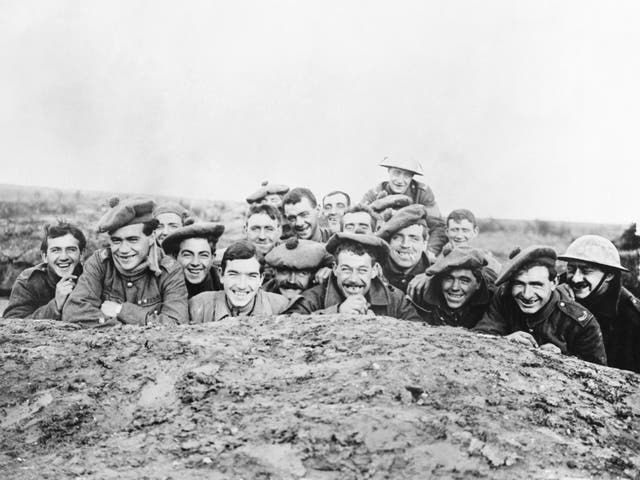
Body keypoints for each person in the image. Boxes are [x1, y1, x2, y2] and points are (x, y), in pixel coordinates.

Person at [62, 197, 188, 327]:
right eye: (116, 241)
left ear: (151, 238)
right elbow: (73, 312)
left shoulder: (169, 271)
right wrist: (120, 329)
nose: (123, 250)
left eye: (133, 240)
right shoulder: (100, 263)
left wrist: (120, 310)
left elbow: (176, 324)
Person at [473, 246, 606, 365]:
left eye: (536, 284)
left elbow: (603, 376)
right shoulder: (504, 297)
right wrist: (504, 341)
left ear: (554, 282)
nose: (527, 294)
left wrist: (563, 359)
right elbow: (478, 338)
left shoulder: (581, 322)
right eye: (519, 283)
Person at [286, 232, 420, 321]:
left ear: (374, 271)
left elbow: (421, 332)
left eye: (362, 270)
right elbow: (284, 325)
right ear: (335, 269)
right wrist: (335, 313)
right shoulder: (314, 297)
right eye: (346, 269)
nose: (353, 279)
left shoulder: (395, 299)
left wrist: (382, 324)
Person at [558, 235, 640, 372]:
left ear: (609, 275)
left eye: (586, 270)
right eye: (571, 269)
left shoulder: (630, 316)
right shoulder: (553, 291)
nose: (576, 278)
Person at [360, 156, 447, 256]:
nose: (400, 180)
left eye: (406, 175)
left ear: (412, 177)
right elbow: (359, 220)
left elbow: (437, 226)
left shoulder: (422, 192)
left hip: (412, 246)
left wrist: (430, 252)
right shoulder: (375, 193)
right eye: (396, 173)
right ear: (389, 171)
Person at [189, 240, 289, 322]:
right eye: (234, 274)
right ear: (221, 275)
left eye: (251, 276)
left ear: (261, 279)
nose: (242, 285)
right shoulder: (198, 306)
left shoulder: (280, 307)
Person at [3, 221, 86, 319]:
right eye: (55, 250)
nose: (64, 257)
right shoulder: (28, 281)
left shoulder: (92, 277)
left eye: (71, 249)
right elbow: (12, 322)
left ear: (82, 254)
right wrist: (55, 305)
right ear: (45, 256)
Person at [411, 246, 494, 328]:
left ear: (478, 284)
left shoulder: (492, 301)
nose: (455, 287)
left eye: (464, 280)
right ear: (440, 280)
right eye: (449, 279)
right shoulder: (420, 294)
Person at [162, 220, 225, 299]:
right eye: (187, 255)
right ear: (176, 257)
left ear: (212, 258)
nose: (195, 263)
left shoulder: (223, 284)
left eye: (203, 255)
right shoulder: (164, 283)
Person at [376, 204, 431, 293]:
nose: (405, 245)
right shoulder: (374, 271)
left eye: (414, 239)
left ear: (424, 244)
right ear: (388, 242)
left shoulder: (435, 277)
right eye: (397, 237)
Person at [263, 237, 333, 299]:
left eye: (302, 273)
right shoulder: (262, 295)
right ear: (274, 272)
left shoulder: (321, 299)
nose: (291, 281)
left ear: (314, 276)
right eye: (284, 272)